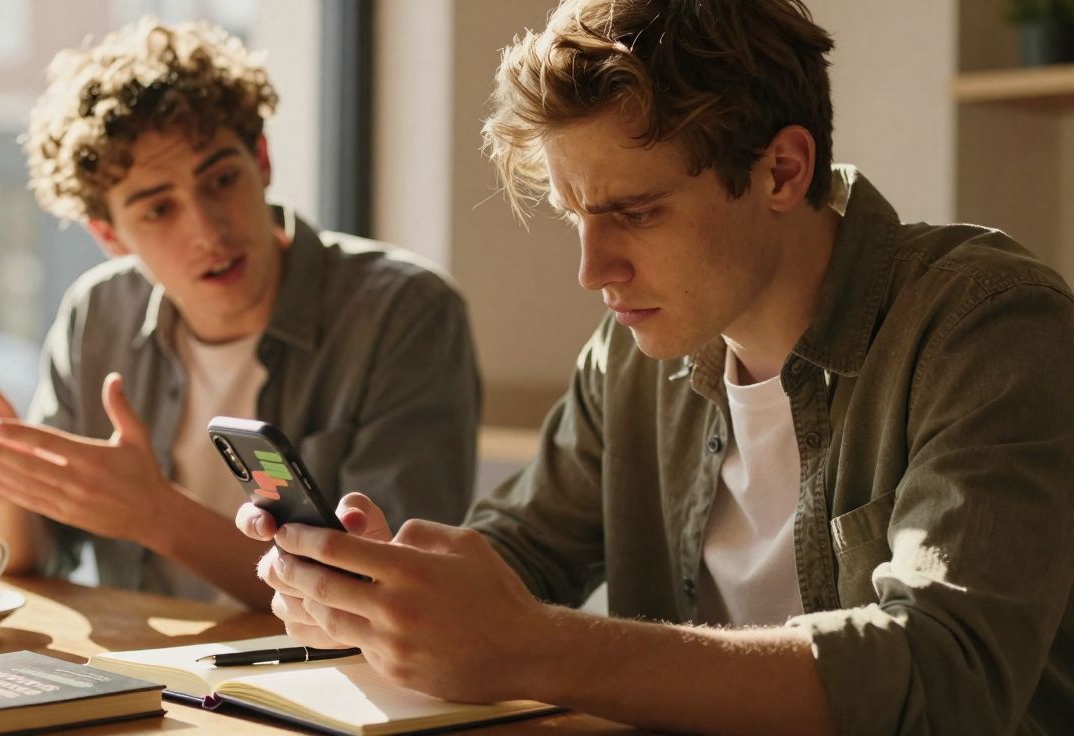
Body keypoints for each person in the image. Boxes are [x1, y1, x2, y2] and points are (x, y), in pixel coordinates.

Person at [236, 0, 1074, 732]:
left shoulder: (987, 325)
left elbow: (944, 673)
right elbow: (523, 548)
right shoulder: (633, 355)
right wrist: (390, 597)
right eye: (575, 216)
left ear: (782, 171)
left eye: (634, 213)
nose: (592, 269)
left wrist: (537, 648)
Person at [0, 18, 480, 611]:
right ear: (109, 234)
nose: (208, 230)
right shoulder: (99, 315)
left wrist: (155, 514)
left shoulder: (404, 312)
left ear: (262, 160)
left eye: (221, 179)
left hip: (327, 666)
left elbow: (388, 591)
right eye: (158, 210)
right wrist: (3, 490)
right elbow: (38, 556)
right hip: (144, 661)